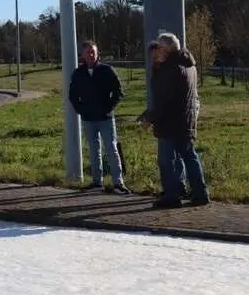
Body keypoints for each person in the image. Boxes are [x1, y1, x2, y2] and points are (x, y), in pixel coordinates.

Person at [139, 32, 209, 208]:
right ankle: (200, 193)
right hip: (186, 120)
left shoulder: (170, 69)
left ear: (167, 48)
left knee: (166, 160)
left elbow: (165, 101)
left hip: (170, 123)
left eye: (160, 47)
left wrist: (149, 119)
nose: (157, 50)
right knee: (189, 156)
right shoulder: (189, 65)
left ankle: (172, 196)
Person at [68, 41, 131, 194]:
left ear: (97, 53)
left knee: (111, 148)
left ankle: (118, 182)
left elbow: (118, 92)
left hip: (105, 118)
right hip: (88, 118)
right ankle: (97, 181)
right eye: (87, 52)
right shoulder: (78, 73)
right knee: (94, 150)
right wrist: (80, 110)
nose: (91, 55)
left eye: (93, 52)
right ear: (82, 55)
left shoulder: (107, 71)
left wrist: (108, 108)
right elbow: (73, 95)